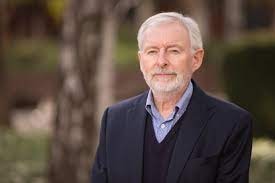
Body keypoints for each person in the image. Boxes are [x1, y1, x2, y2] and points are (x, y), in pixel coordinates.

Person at [91, 12, 252, 183]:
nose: (161, 61)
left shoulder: (231, 123)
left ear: (196, 59)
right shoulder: (114, 119)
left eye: (173, 51)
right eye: (152, 51)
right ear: (140, 60)